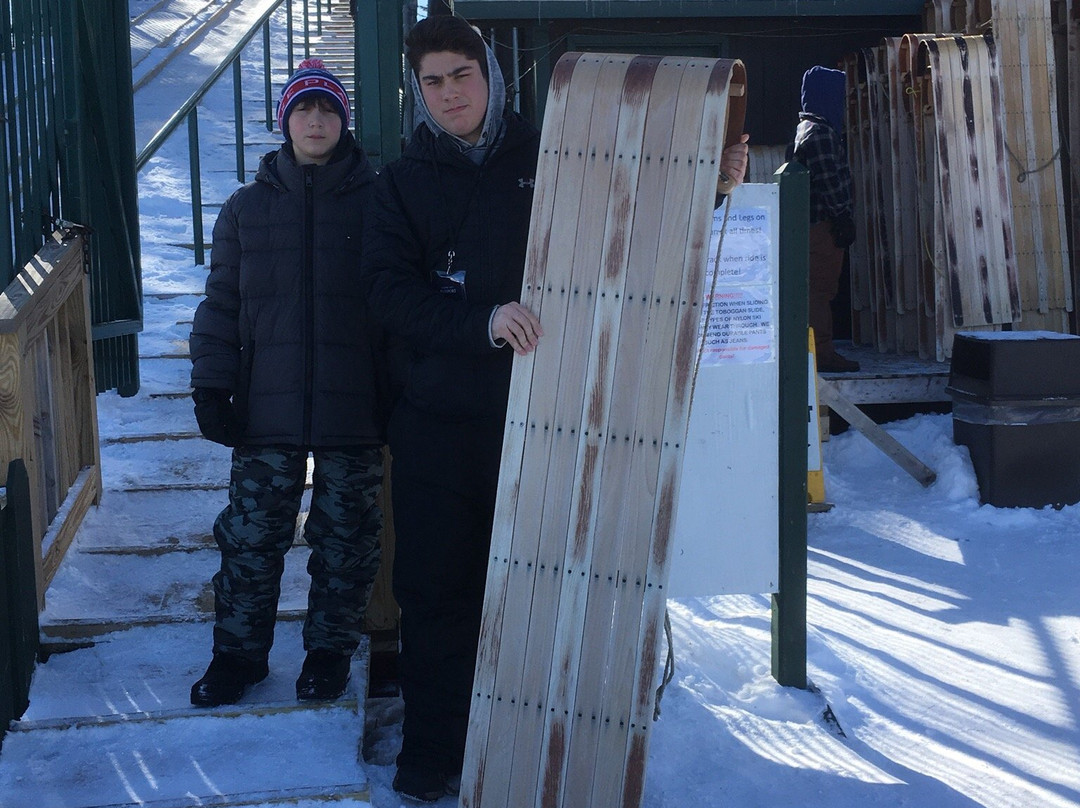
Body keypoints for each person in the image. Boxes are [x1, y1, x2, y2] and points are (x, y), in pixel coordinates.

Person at [361, 16, 748, 802]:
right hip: (437, 424)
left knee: (543, 583)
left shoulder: (556, 152)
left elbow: (640, 210)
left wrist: (712, 180)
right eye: (433, 82)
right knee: (437, 592)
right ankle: (433, 752)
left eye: (461, 76)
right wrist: (482, 321)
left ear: (491, 75)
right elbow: (386, 294)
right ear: (417, 91)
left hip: (547, 416)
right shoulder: (399, 184)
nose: (449, 95)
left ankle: (534, 745)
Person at [188, 58, 386, 708]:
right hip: (264, 409)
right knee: (250, 537)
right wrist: (211, 388)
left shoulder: (380, 201)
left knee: (346, 540)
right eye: (304, 108)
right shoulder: (246, 210)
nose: (316, 119)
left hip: (356, 409)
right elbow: (220, 305)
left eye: (328, 108)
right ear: (285, 120)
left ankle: (328, 654)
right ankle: (237, 657)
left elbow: (397, 305)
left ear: (343, 120)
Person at [791, 64, 860, 372]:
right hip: (822, 226)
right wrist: (843, 216)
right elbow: (830, 180)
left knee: (815, 289)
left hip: (813, 223)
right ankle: (821, 354)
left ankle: (816, 350)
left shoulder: (807, 128)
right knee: (819, 289)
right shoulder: (820, 133)